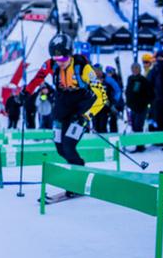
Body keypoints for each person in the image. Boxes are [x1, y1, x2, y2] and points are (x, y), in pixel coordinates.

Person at [25, 34, 107, 170]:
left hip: (80, 109)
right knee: (60, 148)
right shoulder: (51, 64)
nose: (60, 62)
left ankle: (78, 177)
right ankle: (76, 172)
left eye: (63, 58)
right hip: (62, 107)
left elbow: (102, 96)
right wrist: (25, 93)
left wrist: (87, 115)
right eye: (56, 58)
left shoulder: (83, 68)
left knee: (68, 146)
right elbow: (37, 79)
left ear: (70, 54)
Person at [124, 62, 154, 151]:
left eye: (137, 68)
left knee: (138, 126)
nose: (135, 70)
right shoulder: (130, 78)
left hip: (141, 107)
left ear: (140, 69)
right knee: (134, 126)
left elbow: (150, 94)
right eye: (133, 68)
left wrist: (144, 103)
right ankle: (137, 144)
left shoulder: (143, 80)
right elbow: (129, 91)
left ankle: (140, 146)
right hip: (132, 107)